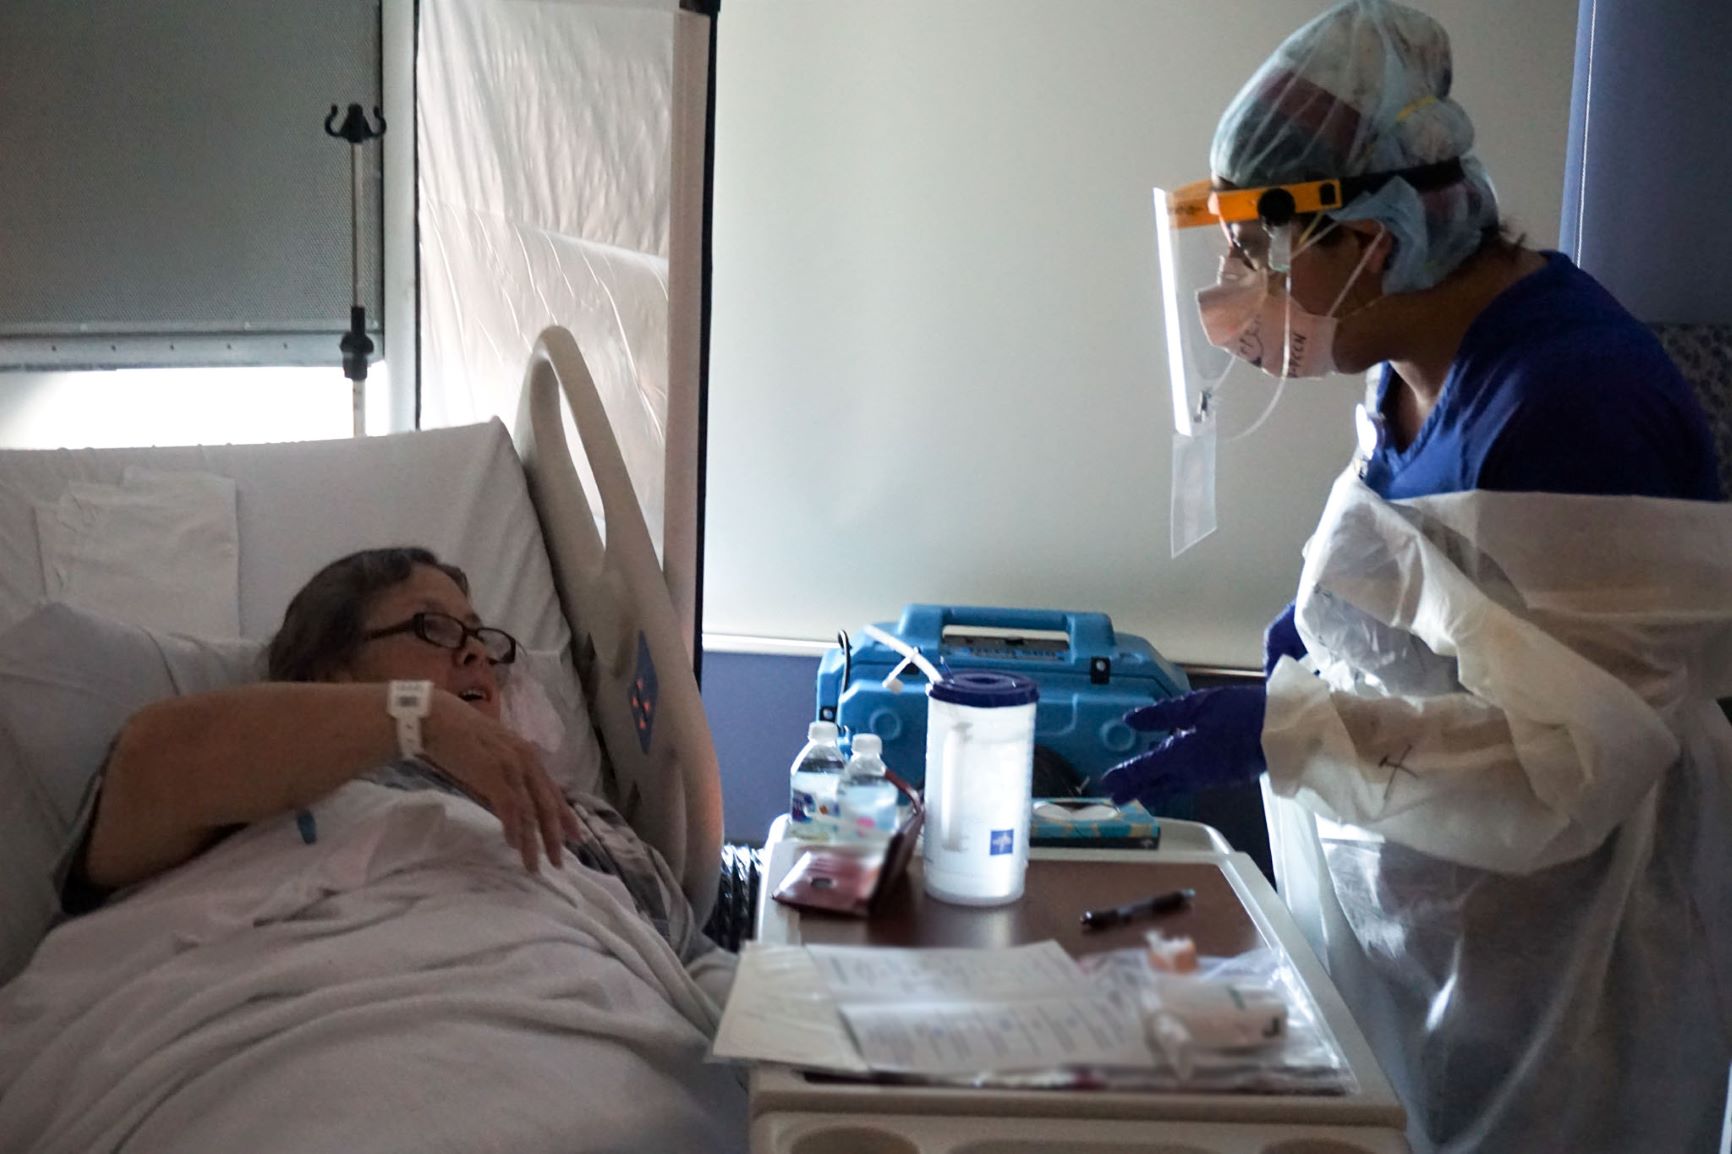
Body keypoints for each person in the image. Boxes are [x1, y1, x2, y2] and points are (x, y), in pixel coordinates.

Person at [1109, 2, 1732, 1151]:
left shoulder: (1571, 400)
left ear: (1376, 244)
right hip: (1435, 938)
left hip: (1565, 980)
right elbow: (1440, 590)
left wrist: (1290, 730)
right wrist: (1315, 637)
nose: (1236, 284)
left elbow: (1571, 767)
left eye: (1261, 243)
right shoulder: (1408, 356)